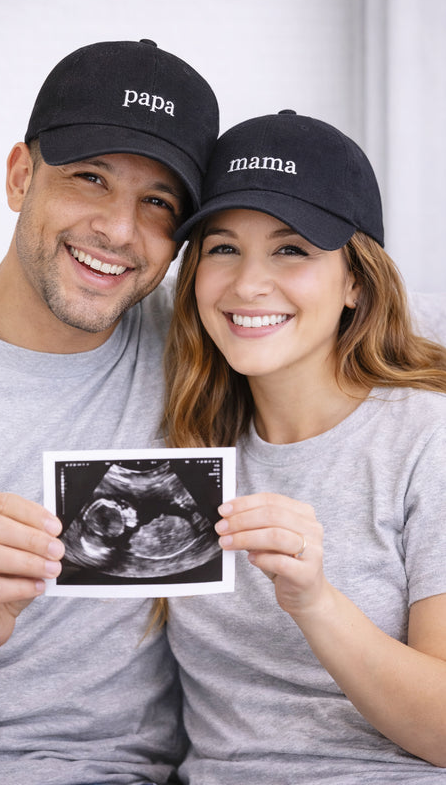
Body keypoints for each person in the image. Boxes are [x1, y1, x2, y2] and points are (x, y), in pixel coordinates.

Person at [0, 39, 218, 784]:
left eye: (158, 203)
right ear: (21, 176)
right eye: (90, 178)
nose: (117, 230)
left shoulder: (210, 343)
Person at [163, 110, 446, 783]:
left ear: (355, 281)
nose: (247, 285)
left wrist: (313, 600)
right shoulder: (184, 440)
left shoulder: (424, 439)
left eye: (291, 249)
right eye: (221, 247)